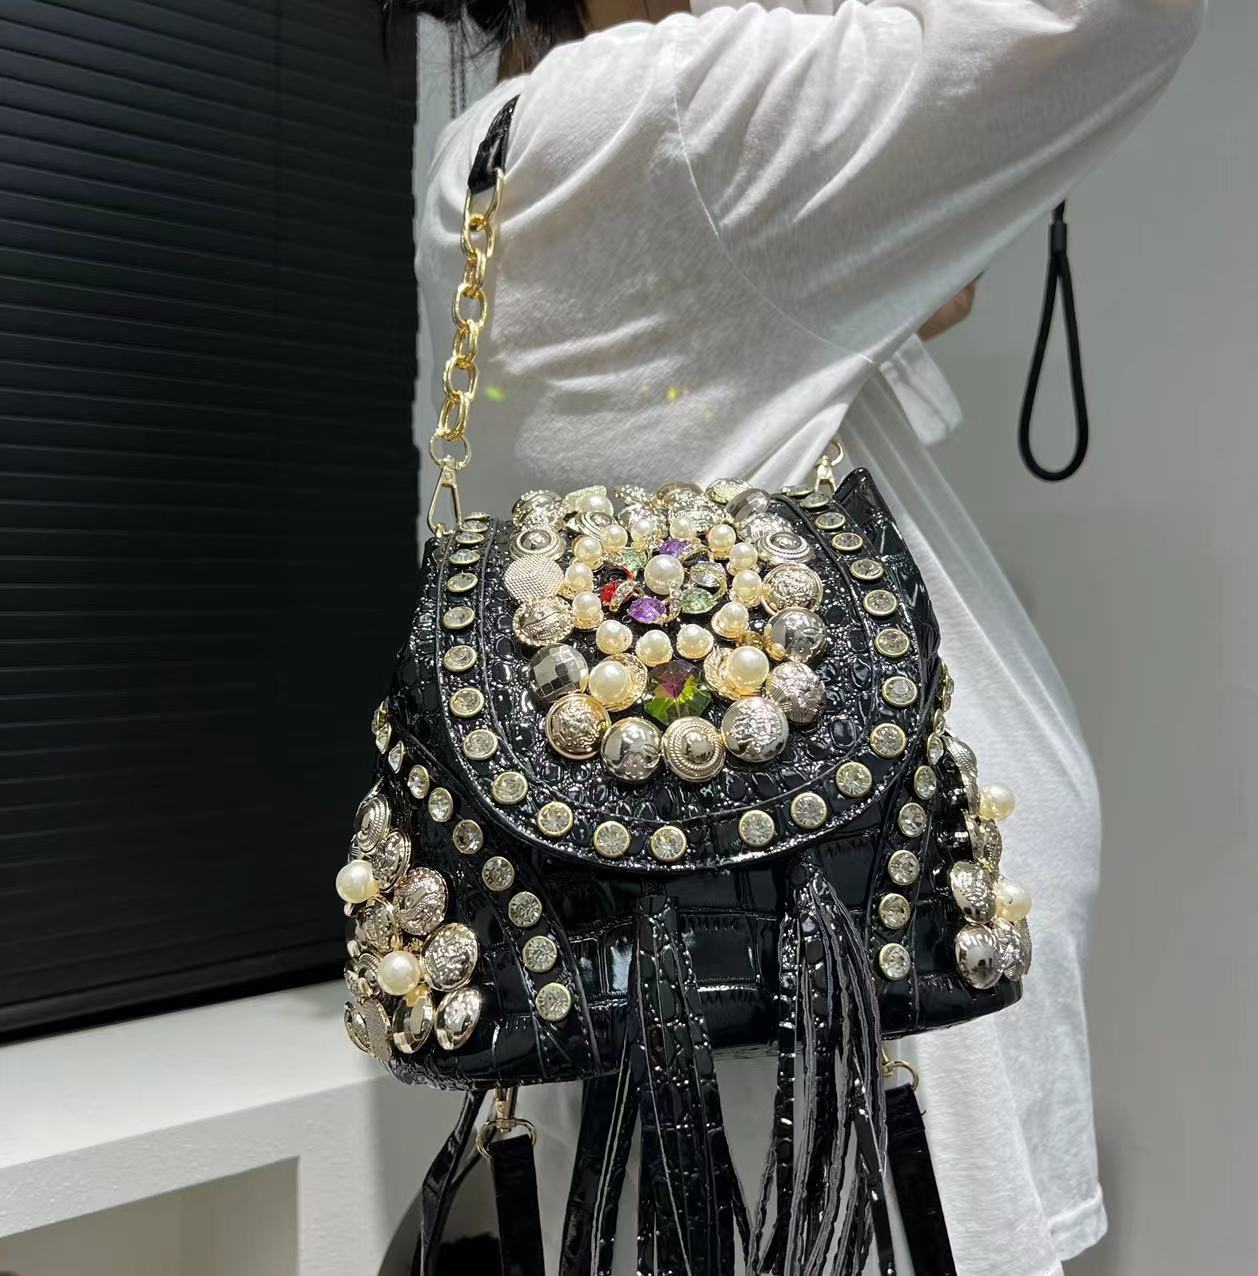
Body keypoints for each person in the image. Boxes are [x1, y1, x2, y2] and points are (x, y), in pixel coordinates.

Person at [400, 1, 1205, 1271]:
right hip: (839, 1159)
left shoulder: (530, 145)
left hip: (801, 1122)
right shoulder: (663, 121)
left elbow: (851, 319)